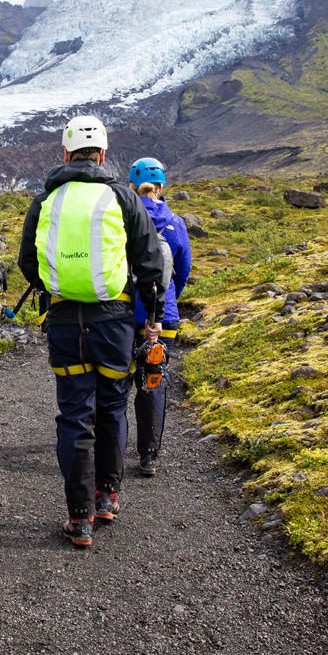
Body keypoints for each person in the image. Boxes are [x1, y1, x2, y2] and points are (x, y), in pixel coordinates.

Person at [19, 115, 165, 549]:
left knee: (74, 414)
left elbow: (29, 262)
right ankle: (108, 496)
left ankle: (78, 518)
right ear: (102, 155)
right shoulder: (123, 196)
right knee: (112, 408)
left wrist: (55, 288)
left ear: (65, 154)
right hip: (114, 322)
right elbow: (150, 263)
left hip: (65, 322)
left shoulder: (45, 200)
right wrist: (152, 317)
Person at [128, 157, 192, 478]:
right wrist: (167, 304)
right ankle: (149, 455)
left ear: (130, 186)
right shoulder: (176, 224)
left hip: (125, 316)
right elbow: (182, 272)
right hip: (163, 318)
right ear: (162, 188)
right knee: (153, 383)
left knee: (115, 383)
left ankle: (106, 445)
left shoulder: (121, 220)